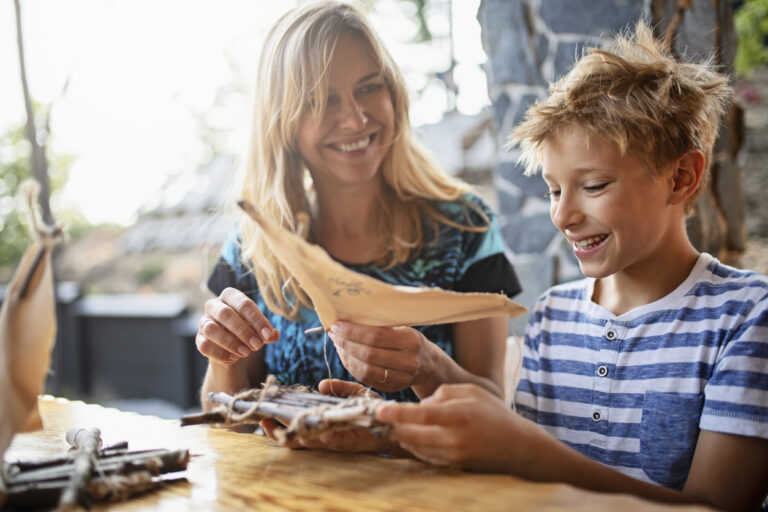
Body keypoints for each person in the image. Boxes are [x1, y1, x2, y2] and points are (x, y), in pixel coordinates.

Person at [369, 21, 768, 512]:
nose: (562, 214)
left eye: (594, 186)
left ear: (681, 177)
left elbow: (716, 506)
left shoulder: (748, 316)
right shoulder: (554, 313)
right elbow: (516, 466)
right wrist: (406, 392)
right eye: (554, 190)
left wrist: (525, 453)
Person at [196, 0, 521, 406]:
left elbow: (493, 408)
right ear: (282, 122)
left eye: (369, 87)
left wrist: (430, 368)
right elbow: (218, 409)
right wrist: (224, 355)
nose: (354, 119)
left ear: (395, 93)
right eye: (321, 100)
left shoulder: (465, 227)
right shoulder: (253, 242)